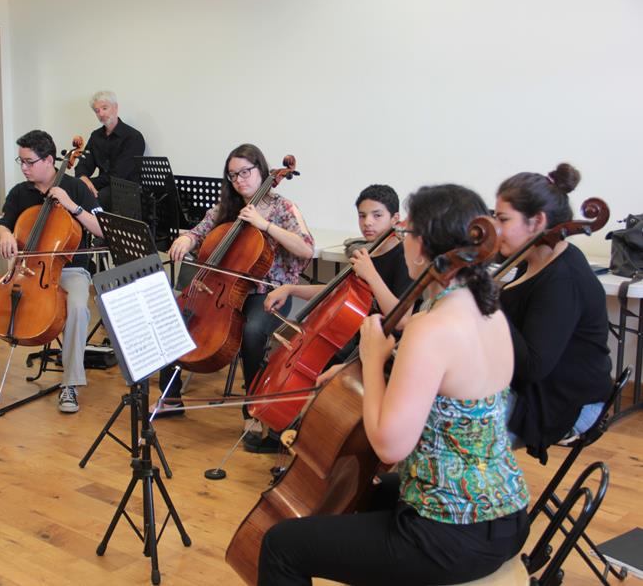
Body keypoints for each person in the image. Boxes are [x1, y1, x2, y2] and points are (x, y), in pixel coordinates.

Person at [258, 185, 529, 585]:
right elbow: (443, 390)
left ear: (422, 248)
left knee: (281, 545)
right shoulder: (488, 310)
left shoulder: (430, 327)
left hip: (449, 531)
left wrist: (371, 362)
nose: (402, 242)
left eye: (407, 233)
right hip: (506, 513)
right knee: (356, 493)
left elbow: (390, 444)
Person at [0, 130, 103, 413]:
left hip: (71, 270)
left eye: (29, 162)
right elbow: (4, 224)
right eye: (22, 162)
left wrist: (72, 206)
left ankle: (70, 385)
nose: (25, 168)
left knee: (78, 307)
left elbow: (102, 229)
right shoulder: (20, 192)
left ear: (50, 160)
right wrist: (4, 235)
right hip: (27, 270)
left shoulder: (76, 188)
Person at [156, 144, 314, 420]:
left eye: (245, 172)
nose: (239, 180)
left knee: (252, 332)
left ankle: (251, 411)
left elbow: (306, 248)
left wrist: (264, 225)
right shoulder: (226, 208)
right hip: (223, 288)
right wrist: (186, 238)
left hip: (268, 292)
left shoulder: (282, 207)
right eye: (232, 175)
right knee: (174, 316)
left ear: (261, 171)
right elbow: (199, 231)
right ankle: (170, 398)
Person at [495, 163, 612, 463]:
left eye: (503, 219)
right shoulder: (534, 256)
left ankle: (473, 498)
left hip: (560, 402)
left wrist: (487, 301)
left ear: (537, 222)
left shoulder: (562, 279)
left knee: (449, 425)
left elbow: (533, 365)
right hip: (534, 387)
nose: (495, 229)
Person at [265, 184, 413, 387]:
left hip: (383, 347)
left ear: (395, 219)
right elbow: (337, 291)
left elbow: (403, 320)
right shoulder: (366, 253)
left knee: (319, 375)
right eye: (362, 216)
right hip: (353, 337)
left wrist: (371, 275)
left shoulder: (404, 257)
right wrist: (290, 289)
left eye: (377, 215)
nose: (367, 222)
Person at [74, 90, 146, 212]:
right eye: (97, 111)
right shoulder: (96, 136)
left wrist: (89, 184)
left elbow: (118, 176)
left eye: (104, 108)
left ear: (115, 108)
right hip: (104, 187)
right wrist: (83, 178)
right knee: (72, 191)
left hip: (125, 191)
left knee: (94, 199)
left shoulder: (133, 137)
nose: (101, 113)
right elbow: (84, 164)